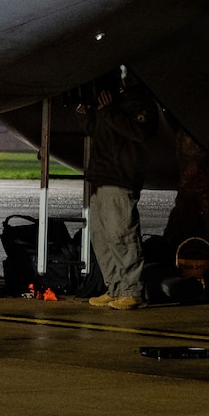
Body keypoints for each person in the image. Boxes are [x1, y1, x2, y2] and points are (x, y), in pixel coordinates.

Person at [77, 78, 154, 309]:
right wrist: (86, 117)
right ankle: (115, 287)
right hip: (100, 179)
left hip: (119, 180)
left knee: (121, 237)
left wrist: (108, 111)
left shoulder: (140, 103)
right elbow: (100, 132)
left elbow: (137, 132)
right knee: (102, 239)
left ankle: (132, 291)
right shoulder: (114, 102)